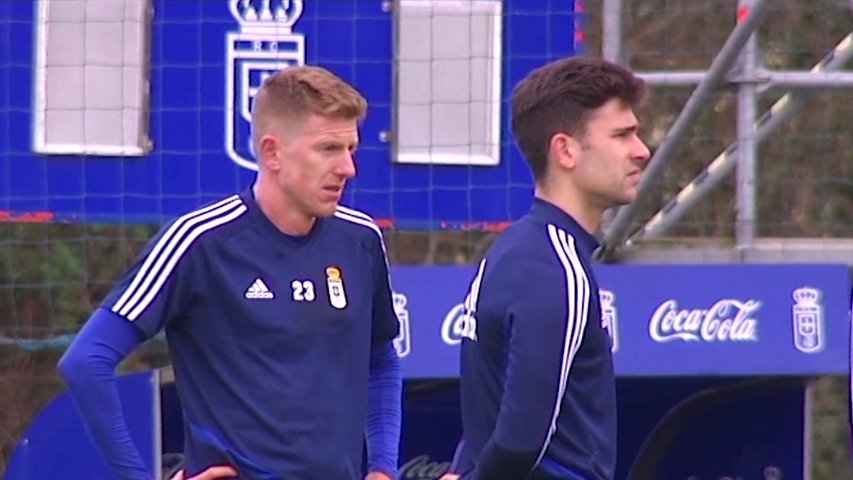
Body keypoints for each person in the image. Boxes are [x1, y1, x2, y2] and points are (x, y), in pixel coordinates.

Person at [58, 65, 402, 480]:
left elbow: (381, 355)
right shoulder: (199, 241)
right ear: (272, 152)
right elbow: (86, 361)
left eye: (351, 149)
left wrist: (383, 467)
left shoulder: (360, 239)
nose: (348, 168)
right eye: (328, 149)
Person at [441, 57, 651, 480]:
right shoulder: (556, 268)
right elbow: (522, 437)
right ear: (565, 150)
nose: (641, 150)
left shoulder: (513, 250)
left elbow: (494, 416)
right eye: (622, 135)